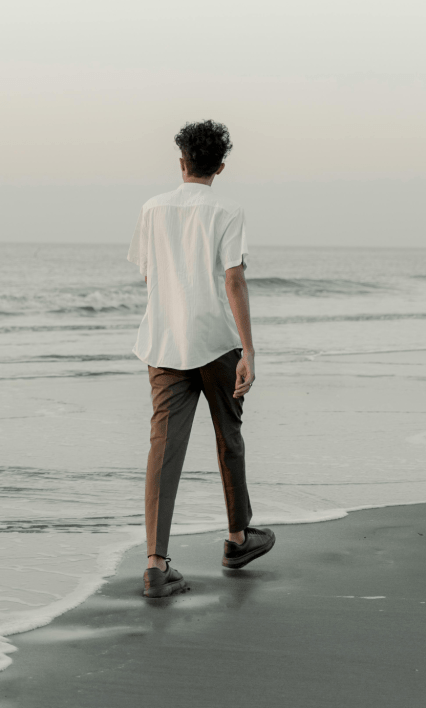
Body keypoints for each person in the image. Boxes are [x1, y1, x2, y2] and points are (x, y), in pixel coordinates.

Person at [128, 119, 276, 598]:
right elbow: (233, 278)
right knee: (228, 434)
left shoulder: (152, 208)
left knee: (163, 447)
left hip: (164, 344)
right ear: (220, 167)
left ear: (181, 162)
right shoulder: (227, 210)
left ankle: (155, 565)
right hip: (215, 341)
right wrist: (248, 350)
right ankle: (237, 539)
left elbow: (150, 276)